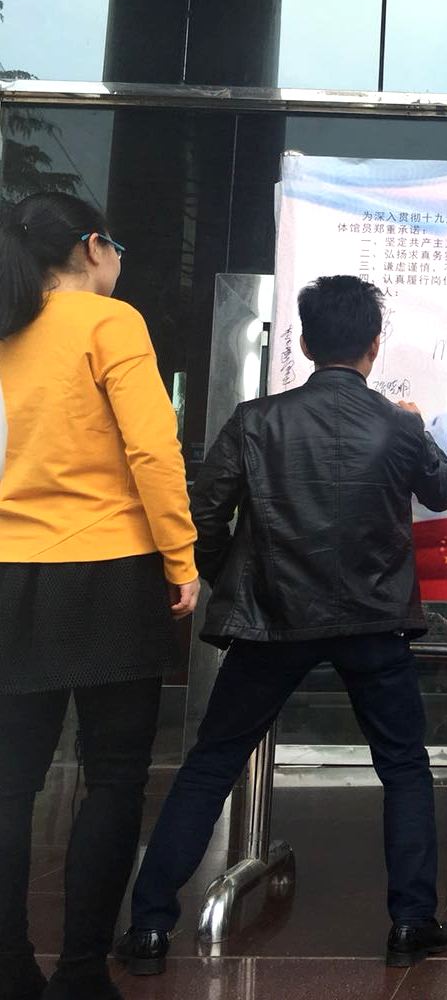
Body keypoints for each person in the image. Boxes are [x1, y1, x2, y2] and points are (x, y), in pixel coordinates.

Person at [115, 274, 447, 973]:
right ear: (373, 345)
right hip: (374, 623)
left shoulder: (256, 421)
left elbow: (204, 516)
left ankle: (150, 927)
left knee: (212, 762)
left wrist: (236, 579)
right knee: (403, 767)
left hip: (273, 619)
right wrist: (418, 426)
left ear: (304, 344)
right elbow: (445, 492)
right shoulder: (398, 426)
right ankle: (410, 923)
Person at [0, 192, 199, 1000]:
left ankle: (9, 967)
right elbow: (153, 448)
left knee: (11, 783)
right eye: (115, 247)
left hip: (10, 570)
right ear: (92, 247)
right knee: (114, 776)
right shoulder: (110, 323)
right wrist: (181, 556)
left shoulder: (5, 326)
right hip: (112, 569)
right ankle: (82, 972)